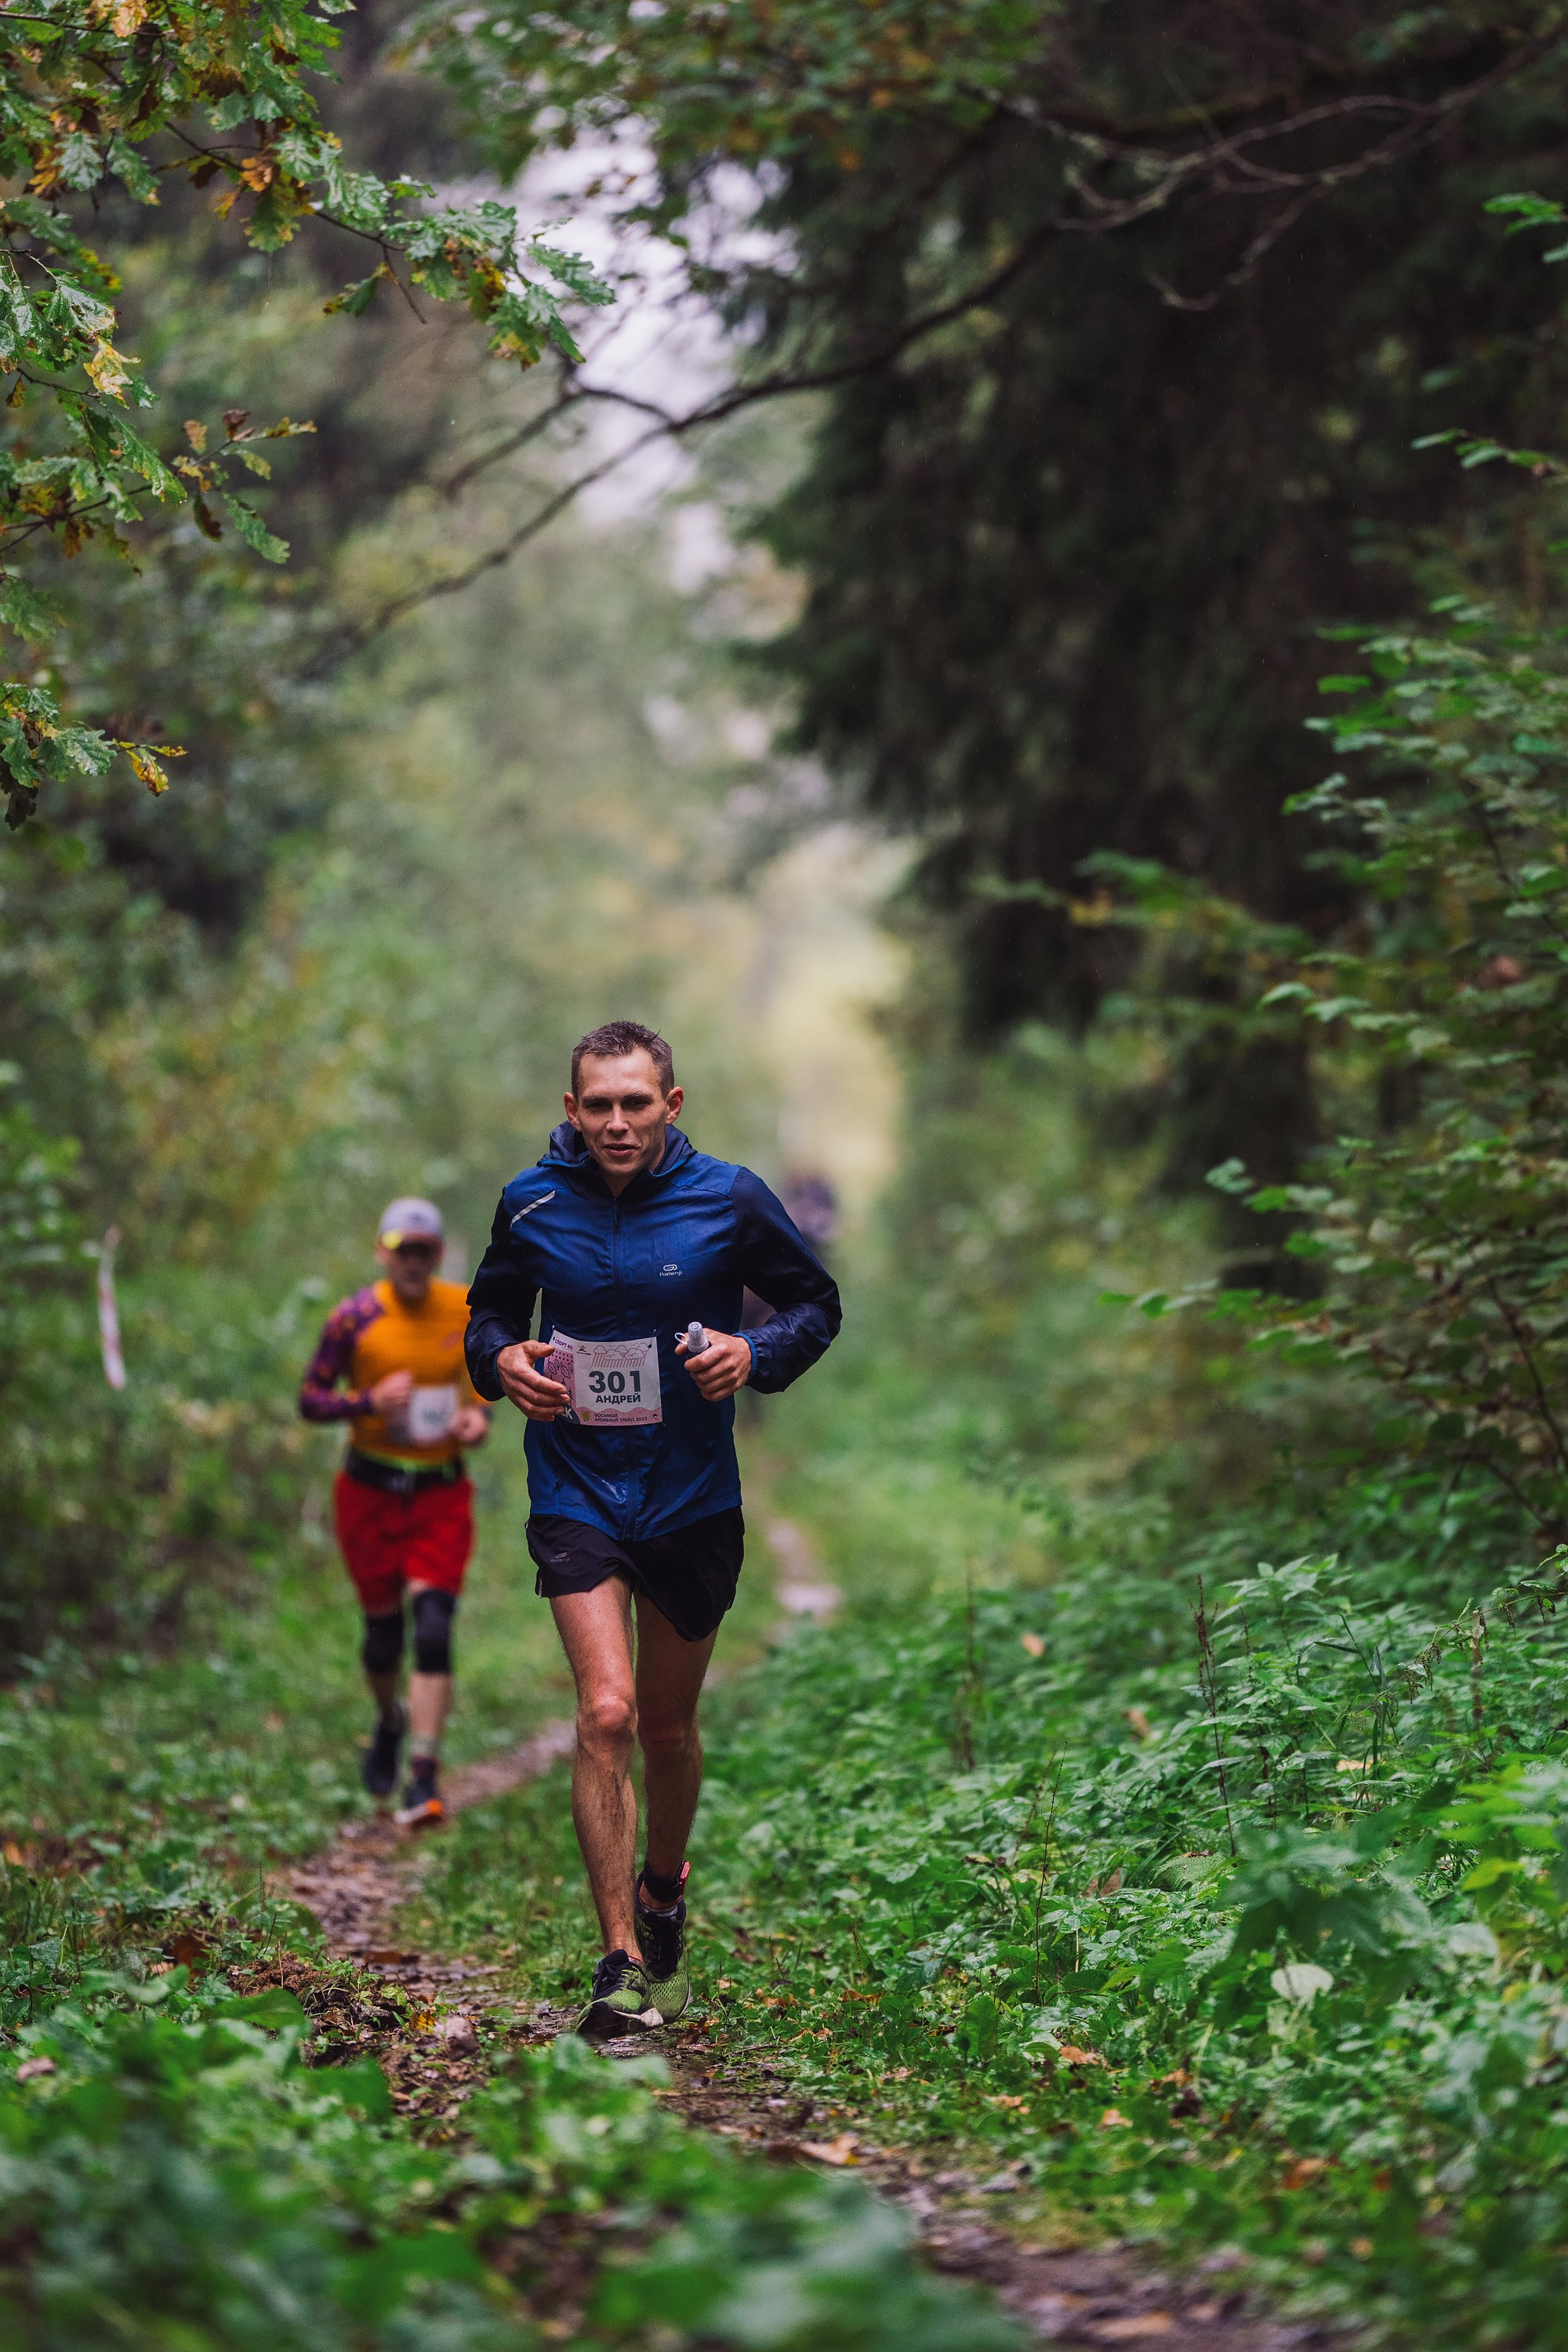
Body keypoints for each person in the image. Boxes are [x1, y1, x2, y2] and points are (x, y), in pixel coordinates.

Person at [466, 1021, 841, 2039]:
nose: (618, 1123)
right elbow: (487, 1318)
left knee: (670, 1729)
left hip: (690, 1499)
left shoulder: (730, 1197)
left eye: (637, 1103)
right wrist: (500, 1360)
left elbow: (814, 1304)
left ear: (673, 1105)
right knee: (608, 1712)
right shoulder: (531, 1202)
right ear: (571, 1108)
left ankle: (665, 1886)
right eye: (599, 1105)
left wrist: (753, 1354)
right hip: (578, 1486)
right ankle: (619, 1962)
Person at [299, 1197, 491, 1827]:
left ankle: (423, 1776)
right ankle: (389, 1719)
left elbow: (485, 1386)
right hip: (369, 1493)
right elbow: (310, 1399)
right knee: (384, 1638)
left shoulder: (464, 1308)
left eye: (423, 1251)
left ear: (437, 1255)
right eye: (401, 1249)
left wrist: (475, 1418)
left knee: (434, 1625)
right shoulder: (353, 1317)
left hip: (439, 1491)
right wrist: (368, 1401)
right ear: (383, 1251)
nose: (412, 1261)